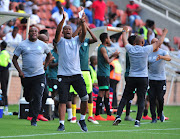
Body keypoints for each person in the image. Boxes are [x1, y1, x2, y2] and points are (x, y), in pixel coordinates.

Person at [113, 26, 168, 127]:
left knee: (124, 97)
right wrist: (164, 33)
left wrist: (124, 31)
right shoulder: (146, 49)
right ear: (142, 43)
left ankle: (118, 116)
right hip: (143, 78)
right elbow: (159, 43)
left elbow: (125, 41)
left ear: (134, 42)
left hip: (132, 77)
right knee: (141, 99)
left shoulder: (130, 49)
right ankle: (137, 121)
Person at [54, 7, 88, 132]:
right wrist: (63, 19)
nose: (68, 30)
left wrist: (83, 22)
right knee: (63, 100)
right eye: (66, 29)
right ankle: (62, 124)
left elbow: (83, 34)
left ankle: (82, 120)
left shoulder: (76, 41)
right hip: (63, 75)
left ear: (72, 31)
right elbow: (57, 32)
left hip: (77, 75)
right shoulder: (60, 41)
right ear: (63, 32)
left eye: (69, 29)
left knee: (85, 98)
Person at [12, 26, 51, 126]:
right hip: (26, 76)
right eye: (32, 31)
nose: (34, 33)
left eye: (35, 31)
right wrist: (20, 72)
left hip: (39, 75)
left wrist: (45, 65)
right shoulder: (22, 45)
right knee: (29, 97)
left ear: (37, 34)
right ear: (28, 33)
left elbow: (49, 55)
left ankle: (34, 118)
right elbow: (14, 59)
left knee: (38, 96)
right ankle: (29, 99)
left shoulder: (42, 45)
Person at [70, 23, 98, 124]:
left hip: (86, 71)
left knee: (89, 93)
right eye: (81, 32)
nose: (83, 34)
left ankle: (90, 115)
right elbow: (72, 36)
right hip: (76, 70)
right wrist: (80, 27)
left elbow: (95, 39)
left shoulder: (87, 41)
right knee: (74, 94)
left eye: (84, 32)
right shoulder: (74, 42)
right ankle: (73, 116)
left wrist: (88, 29)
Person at [94, 33, 119, 121]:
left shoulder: (103, 48)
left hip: (105, 73)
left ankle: (108, 114)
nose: (109, 39)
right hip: (103, 73)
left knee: (107, 93)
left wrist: (113, 54)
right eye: (108, 38)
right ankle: (97, 114)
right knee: (101, 92)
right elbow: (108, 61)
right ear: (105, 39)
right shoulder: (102, 48)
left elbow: (107, 58)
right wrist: (114, 57)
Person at [148, 38, 171, 123]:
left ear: (159, 44)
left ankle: (160, 113)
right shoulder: (148, 53)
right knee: (152, 98)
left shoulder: (163, 52)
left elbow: (169, 58)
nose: (154, 44)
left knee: (160, 98)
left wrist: (162, 57)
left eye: (156, 42)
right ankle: (153, 117)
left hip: (161, 79)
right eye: (153, 43)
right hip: (151, 79)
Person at [0, 41, 11, 115]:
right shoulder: (6, 53)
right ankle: (6, 107)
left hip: (2, 72)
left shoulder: (2, 54)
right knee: (4, 90)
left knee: (3, 89)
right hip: (6, 72)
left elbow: (2, 64)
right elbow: (9, 64)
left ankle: (4, 106)